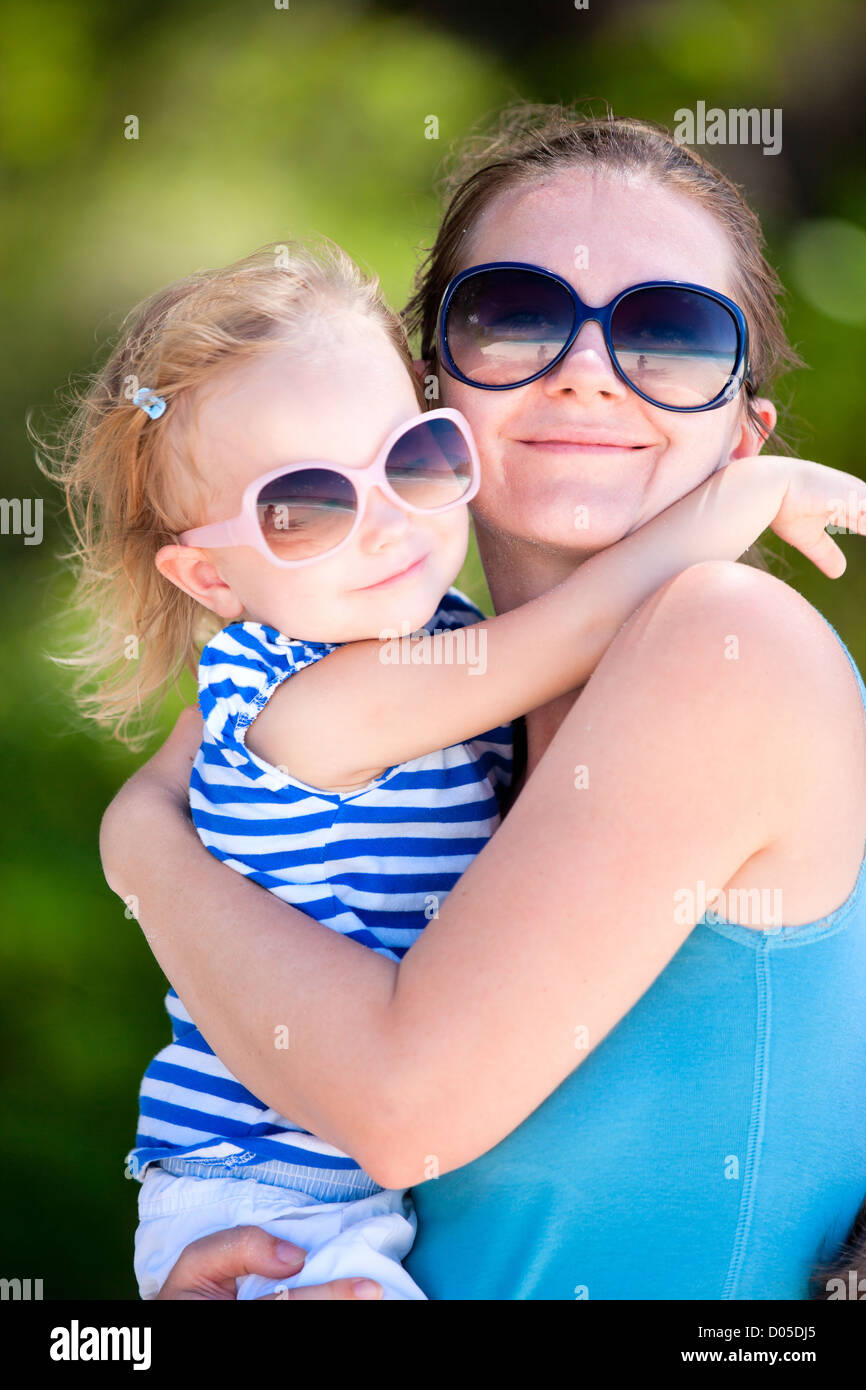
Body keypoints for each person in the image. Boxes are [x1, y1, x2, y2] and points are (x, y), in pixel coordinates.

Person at [94, 104, 866, 1299]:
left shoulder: (729, 642)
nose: (586, 371)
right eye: (515, 318)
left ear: (744, 437)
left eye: (666, 334)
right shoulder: (444, 708)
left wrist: (140, 847)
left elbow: (399, 1112)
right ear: (425, 394)